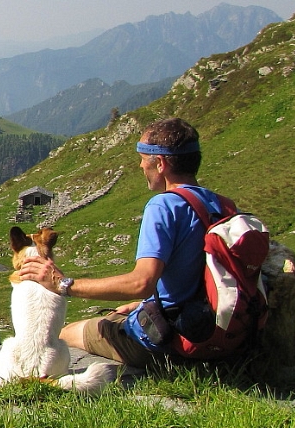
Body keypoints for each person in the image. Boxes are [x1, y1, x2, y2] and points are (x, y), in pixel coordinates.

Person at [16, 117, 222, 368]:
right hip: (208, 328)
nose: (140, 166)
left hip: (167, 340)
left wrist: (64, 284)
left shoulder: (164, 205)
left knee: (65, 334)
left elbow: (141, 283)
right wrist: (146, 304)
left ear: (160, 163)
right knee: (118, 314)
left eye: (143, 158)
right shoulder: (219, 204)